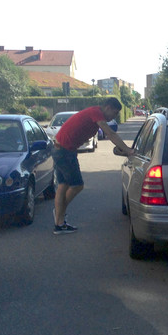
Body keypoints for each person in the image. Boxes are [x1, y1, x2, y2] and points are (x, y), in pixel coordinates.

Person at [51, 97, 135, 234]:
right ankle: (59, 213)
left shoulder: (94, 113)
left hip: (60, 148)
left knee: (63, 185)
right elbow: (110, 134)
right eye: (115, 113)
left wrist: (123, 148)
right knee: (77, 185)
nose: (115, 116)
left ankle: (59, 224)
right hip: (65, 151)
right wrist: (128, 150)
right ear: (108, 107)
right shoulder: (97, 113)